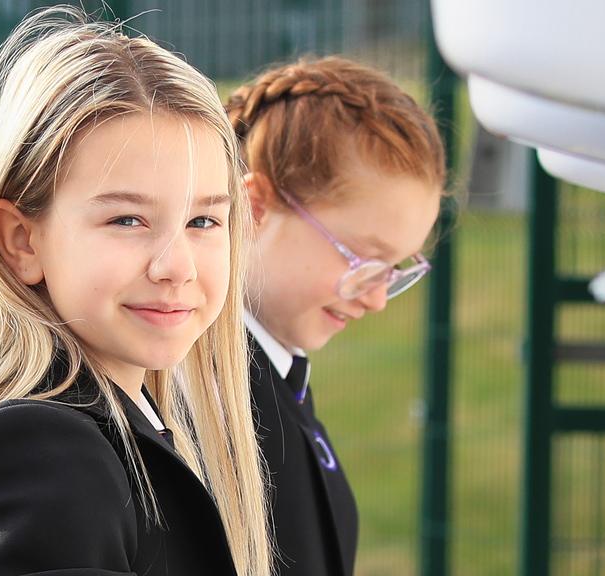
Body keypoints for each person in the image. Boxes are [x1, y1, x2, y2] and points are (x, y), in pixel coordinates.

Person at [0, 6, 271, 575]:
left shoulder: (118, 431)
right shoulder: (43, 455)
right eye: (126, 220)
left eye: (203, 222)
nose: (177, 267)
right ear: (22, 240)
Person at [225, 56, 448, 576]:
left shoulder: (275, 376)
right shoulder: (208, 397)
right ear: (255, 207)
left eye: (393, 269)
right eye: (361, 261)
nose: (374, 299)